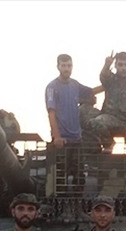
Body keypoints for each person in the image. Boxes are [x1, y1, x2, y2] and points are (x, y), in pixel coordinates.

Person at [45, 54, 103, 193]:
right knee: (60, 177)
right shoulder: (52, 87)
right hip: (62, 140)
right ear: (58, 67)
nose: (66, 68)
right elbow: (51, 112)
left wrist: (110, 83)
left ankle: (78, 204)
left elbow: (91, 91)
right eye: (64, 65)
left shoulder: (74, 84)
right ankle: (59, 205)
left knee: (79, 176)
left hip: (77, 138)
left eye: (69, 65)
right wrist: (57, 137)